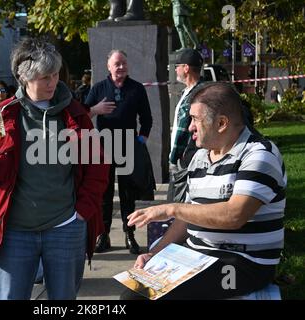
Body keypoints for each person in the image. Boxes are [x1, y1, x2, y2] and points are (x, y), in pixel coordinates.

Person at [0, 38, 109, 300]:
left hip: (66, 227)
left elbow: (98, 166)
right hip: (15, 231)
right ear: (25, 78)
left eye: (56, 74)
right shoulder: (4, 114)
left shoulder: (75, 114)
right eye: (44, 77)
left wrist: (81, 212)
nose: (53, 82)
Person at [122, 82, 286, 300]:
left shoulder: (260, 155)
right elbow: (190, 215)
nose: (189, 126)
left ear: (221, 123)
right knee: (134, 291)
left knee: (143, 297)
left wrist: (173, 208)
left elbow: (234, 215)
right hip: (196, 255)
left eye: (195, 119)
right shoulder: (200, 157)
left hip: (244, 264)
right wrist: (155, 253)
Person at [85, 49, 152, 254]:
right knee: (104, 193)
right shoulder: (98, 88)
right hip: (104, 146)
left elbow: (147, 118)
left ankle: (129, 234)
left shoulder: (137, 89)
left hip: (128, 145)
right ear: (109, 67)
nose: (121, 67)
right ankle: (102, 235)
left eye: (124, 63)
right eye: (117, 64)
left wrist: (141, 139)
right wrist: (96, 110)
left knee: (127, 193)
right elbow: (83, 114)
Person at [168, 48, 203, 203]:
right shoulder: (187, 92)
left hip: (187, 157)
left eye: (178, 65)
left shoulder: (195, 94)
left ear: (186, 68)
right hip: (186, 156)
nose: (176, 69)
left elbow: (183, 130)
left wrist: (173, 157)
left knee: (179, 203)